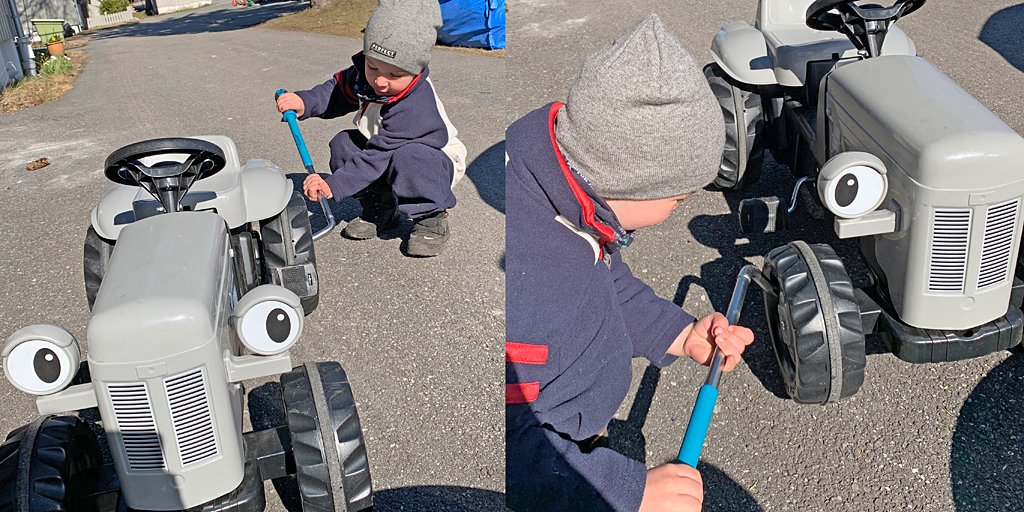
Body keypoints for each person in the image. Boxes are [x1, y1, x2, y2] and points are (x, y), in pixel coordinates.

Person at [504, 14, 755, 512]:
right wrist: (626, 490)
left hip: (574, 429)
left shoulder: (574, 209)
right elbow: (511, 448)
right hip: (554, 459)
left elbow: (609, 282)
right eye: (678, 198)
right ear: (630, 177)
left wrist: (680, 334)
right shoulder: (530, 285)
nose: (677, 209)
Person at [276, 0, 467, 257]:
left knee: (409, 158)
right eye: (373, 66)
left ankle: (431, 217)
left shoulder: (415, 106)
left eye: (395, 75)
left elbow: (378, 157)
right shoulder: (368, 75)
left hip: (434, 161)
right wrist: (304, 102)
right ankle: (381, 209)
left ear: (416, 70)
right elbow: (337, 90)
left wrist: (334, 185)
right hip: (383, 147)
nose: (379, 81)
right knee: (344, 144)